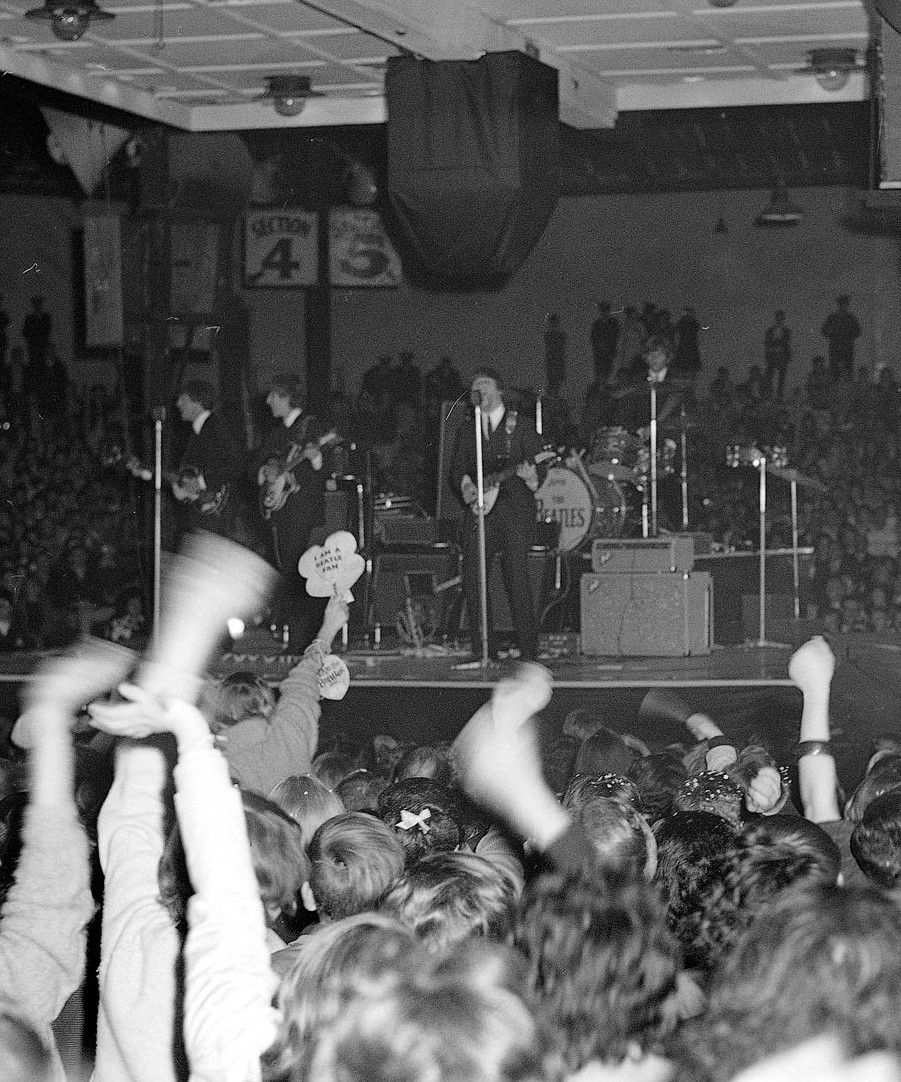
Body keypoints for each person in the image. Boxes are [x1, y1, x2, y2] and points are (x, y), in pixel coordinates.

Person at [448, 367, 545, 661]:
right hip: (481, 511)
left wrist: (532, 476)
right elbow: (457, 469)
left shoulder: (523, 425)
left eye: (486, 385)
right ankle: (484, 647)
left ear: (499, 391)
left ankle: (528, 649)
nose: (480, 390)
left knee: (516, 577)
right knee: (474, 576)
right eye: (476, 386)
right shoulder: (468, 429)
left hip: (515, 509)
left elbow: (540, 464)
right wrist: (465, 485)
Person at [255, 372, 327, 652]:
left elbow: (325, 466)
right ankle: (296, 638)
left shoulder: (310, 427)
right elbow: (256, 466)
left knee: (300, 573)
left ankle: (302, 641)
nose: (269, 401)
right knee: (287, 570)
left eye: (273, 395)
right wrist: (265, 471)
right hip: (281, 513)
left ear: (286, 397)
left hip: (301, 512)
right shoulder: (275, 433)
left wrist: (316, 456)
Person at [172, 380, 244, 540]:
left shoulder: (216, 427)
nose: (177, 404)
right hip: (205, 513)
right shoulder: (199, 432)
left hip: (216, 514)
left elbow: (236, 463)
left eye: (182, 399)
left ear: (197, 402)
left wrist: (202, 482)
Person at [821, 295, 861, 384]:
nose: (843, 306)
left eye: (845, 304)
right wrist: (832, 332)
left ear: (847, 305)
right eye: (841, 304)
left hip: (847, 349)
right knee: (835, 373)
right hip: (835, 349)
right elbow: (824, 331)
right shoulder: (832, 318)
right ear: (838, 305)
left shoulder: (851, 318)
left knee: (848, 372)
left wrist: (848, 334)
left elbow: (858, 332)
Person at [764, 310, 792, 400]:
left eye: (781, 318)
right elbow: (767, 342)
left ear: (783, 319)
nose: (779, 320)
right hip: (772, 356)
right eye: (777, 317)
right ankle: (770, 393)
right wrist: (776, 344)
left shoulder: (786, 331)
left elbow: (785, 342)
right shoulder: (770, 330)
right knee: (769, 376)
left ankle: (780, 394)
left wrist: (775, 344)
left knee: (781, 377)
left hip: (782, 356)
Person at [590, 302, 620, 387]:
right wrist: (599, 345)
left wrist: (610, 346)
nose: (604, 312)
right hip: (599, 352)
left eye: (606, 310)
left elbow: (616, 336)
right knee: (599, 370)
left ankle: (605, 385)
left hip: (609, 352)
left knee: (608, 370)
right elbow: (594, 338)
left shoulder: (613, 323)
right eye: (603, 310)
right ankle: (600, 385)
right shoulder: (597, 324)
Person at [543, 313, 566, 396]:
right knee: (553, 380)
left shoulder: (560, 335)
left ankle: (554, 395)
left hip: (557, 360)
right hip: (553, 361)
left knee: (556, 380)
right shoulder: (549, 335)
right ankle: (552, 395)